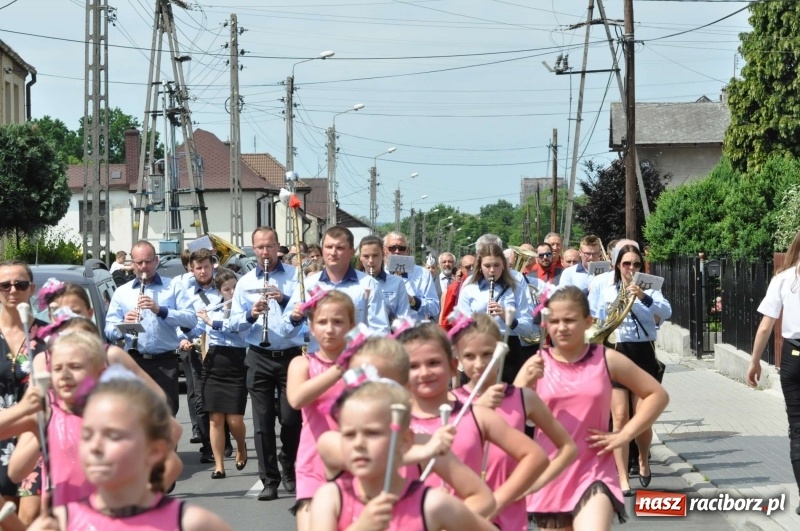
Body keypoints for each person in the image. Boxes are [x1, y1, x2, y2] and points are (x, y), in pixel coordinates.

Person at [518, 286, 669, 530]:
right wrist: (523, 384)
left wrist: (625, 434)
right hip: (552, 472)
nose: (562, 327)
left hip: (595, 472)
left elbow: (657, 395)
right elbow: (510, 417)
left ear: (588, 321)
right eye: (554, 321)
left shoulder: (605, 359)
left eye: (570, 320)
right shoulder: (537, 364)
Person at [26, 377, 231, 531]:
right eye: (86, 435)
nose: (95, 446)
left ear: (155, 450)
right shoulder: (57, 523)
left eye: (113, 435)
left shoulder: (193, 523)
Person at [394, 323, 549, 518]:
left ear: (452, 367)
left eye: (433, 363)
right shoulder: (393, 422)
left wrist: (499, 500)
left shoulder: (476, 415)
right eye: (413, 366)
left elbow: (535, 457)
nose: (424, 372)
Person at [309, 381, 498, 531]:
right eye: (349, 434)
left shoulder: (432, 505)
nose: (359, 444)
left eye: (372, 433)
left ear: (405, 441)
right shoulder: (331, 498)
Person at [450, 313, 577, 530]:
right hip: (463, 513)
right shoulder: (451, 402)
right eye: (469, 356)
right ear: (459, 360)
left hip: (508, 514)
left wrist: (534, 484)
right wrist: (478, 409)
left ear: (500, 353)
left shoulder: (522, 397)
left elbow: (568, 447)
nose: (479, 364)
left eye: (487, 354)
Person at [228, 226, 303, 501]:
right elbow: (234, 323)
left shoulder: (296, 278)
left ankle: (288, 462)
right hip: (258, 354)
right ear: (253, 249)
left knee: (292, 419)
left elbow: (303, 315)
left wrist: (282, 300)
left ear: (278, 247)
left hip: (290, 355)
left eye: (269, 246)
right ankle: (269, 479)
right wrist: (250, 313)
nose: (265, 252)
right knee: (261, 423)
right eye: (259, 247)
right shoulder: (245, 282)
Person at [590, 245, 671, 495]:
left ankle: (644, 459)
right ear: (617, 265)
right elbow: (593, 318)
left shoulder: (651, 289)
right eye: (627, 264)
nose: (631, 269)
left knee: (641, 419)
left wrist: (643, 297)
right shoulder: (605, 289)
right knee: (620, 417)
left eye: (636, 264)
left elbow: (667, 312)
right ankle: (623, 477)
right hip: (615, 352)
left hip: (642, 355)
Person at [0, 331, 107, 507]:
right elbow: (16, 472)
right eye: (57, 368)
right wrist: (23, 410)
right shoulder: (48, 415)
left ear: (100, 372)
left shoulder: (116, 411)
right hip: (64, 518)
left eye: (75, 366)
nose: (65, 374)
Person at [287, 291, 353, 530]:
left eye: (338, 322)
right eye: (322, 322)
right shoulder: (302, 363)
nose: (330, 329)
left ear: (351, 325)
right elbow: (296, 399)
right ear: (312, 327)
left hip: (355, 463)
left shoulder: (364, 365)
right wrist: (339, 369)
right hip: (314, 463)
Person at [104, 241, 195, 415]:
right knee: (138, 418)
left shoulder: (173, 286)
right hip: (135, 360)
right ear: (132, 264)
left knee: (166, 416)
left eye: (148, 261)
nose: (144, 267)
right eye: (139, 263)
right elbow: (109, 330)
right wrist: (124, 325)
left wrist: (160, 310)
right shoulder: (122, 292)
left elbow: (191, 319)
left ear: (156, 261)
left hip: (165, 362)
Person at [748, 230, 800, 514]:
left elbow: (766, 325)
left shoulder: (782, 279)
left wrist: (754, 360)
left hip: (793, 357)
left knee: (798, 429)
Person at [285, 226, 389, 347]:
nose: (333, 253)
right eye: (329, 247)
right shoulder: (307, 284)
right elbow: (285, 332)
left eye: (339, 248)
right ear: (322, 250)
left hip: (354, 361)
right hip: (318, 361)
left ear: (351, 252)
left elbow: (381, 333)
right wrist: (294, 318)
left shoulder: (369, 284)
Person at [0, 260, 46, 524]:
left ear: (32, 289)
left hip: (35, 437)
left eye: (20, 284)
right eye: (4, 285)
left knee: (30, 519)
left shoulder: (49, 336)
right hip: (0, 433)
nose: (12, 290)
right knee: (6, 520)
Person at [456, 243, 536, 383]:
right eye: (487, 266)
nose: (492, 270)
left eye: (497, 265)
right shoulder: (470, 286)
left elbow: (528, 328)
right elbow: (461, 323)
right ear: (480, 265)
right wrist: (479, 323)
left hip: (508, 347)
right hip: (478, 346)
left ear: (504, 265)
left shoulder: (516, 286)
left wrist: (507, 317)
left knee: (507, 398)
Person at [195, 268, 248, 480]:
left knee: (235, 420)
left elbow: (237, 328)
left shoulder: (244, 309)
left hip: (237, 361)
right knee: (215, 419)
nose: (232, 292)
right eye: (227, 289)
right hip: (214, 362)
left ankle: (241, 446)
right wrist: (184, 335)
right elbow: (195, 328)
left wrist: (212, 322)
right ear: (219, 291)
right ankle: (219, 466)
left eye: (235, 287)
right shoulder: (212, 308)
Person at [177, 248, 220, 461]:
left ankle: (223, 439)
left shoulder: (223, 289)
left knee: (219, 397)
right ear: (191, 270)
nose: (203, 271)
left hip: (221, 349)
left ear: (213, 266)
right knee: (199, 396)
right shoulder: (185, 291)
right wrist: (181, 339)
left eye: (206, 267)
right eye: (198, 268)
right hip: (195, 348)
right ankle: (207, 445)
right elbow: (177, 320)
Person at [383, 232, 440, 321]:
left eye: (402, 248)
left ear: (407, 250)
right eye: (392, 248)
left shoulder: (423, 273)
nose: (397, 251)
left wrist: (413, 300)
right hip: (386, 331)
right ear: (384, 250)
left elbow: (434, 309)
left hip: (414, 331)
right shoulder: (379, 273)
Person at [355, 236, 411, 323]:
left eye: (375, 255)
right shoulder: (354, 282)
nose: (371, 261)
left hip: (387, 335)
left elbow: (404, 318)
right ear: (360, 257)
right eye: (366, 256)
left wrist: (386, 313)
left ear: (383, 255)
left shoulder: (397, 282)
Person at [439, 254, 475, 331]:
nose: (472, 269)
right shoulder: (454, 287)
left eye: (474, 266)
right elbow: (446, 319)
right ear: (461, 268)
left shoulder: (486, 283)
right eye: (468, 267)